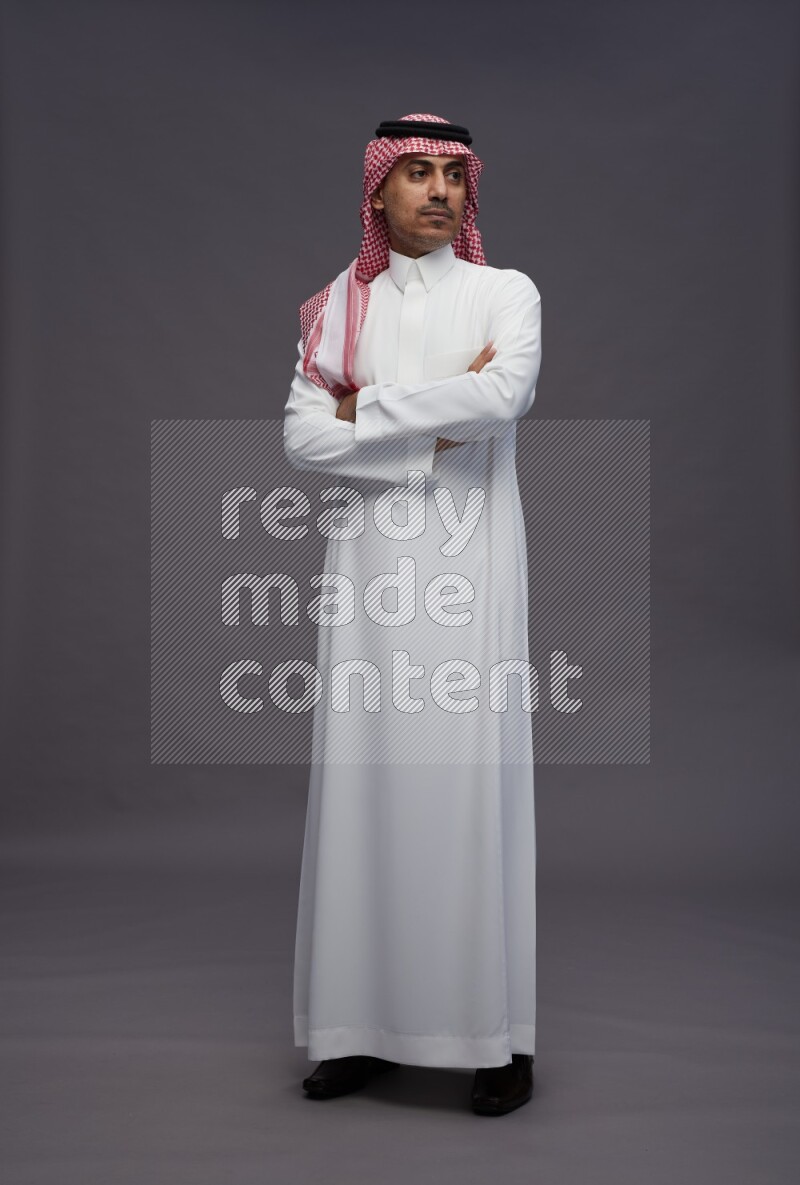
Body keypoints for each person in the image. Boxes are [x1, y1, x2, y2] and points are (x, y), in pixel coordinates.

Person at [283, 114, 542, 1116]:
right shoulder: (337, 305)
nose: (438, 191)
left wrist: (366, 409)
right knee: (363, 788)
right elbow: (302, 441)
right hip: (366, 579)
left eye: (452, 176)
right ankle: (358, 1031)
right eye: (417, 173)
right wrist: (434, 418)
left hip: (470, 571)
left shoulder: (504, 291)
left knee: (467, 788)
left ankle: (493, 1039)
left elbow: (503, 396)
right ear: (378, 191)